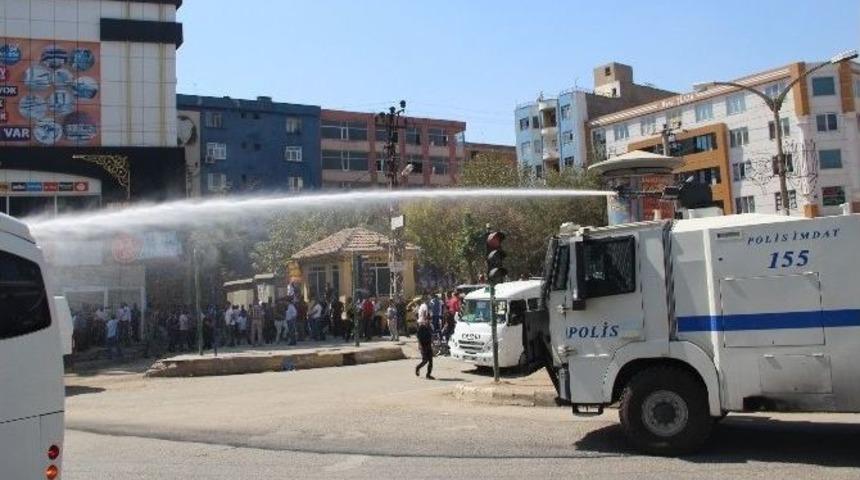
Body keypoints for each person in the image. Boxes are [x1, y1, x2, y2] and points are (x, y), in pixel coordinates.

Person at [415, 314, 434, 380]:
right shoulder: (421, 327)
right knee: (425, 360)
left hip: (429, 346)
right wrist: (420, 345)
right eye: (427, 320)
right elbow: (418, 337)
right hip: (423, 346)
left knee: (431, 361)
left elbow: (431, 336)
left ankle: (428, 374)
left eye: (429, 320)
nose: (428, 321)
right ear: (424, 320)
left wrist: (432, 343)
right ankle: (418, 367)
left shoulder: (430, 327)